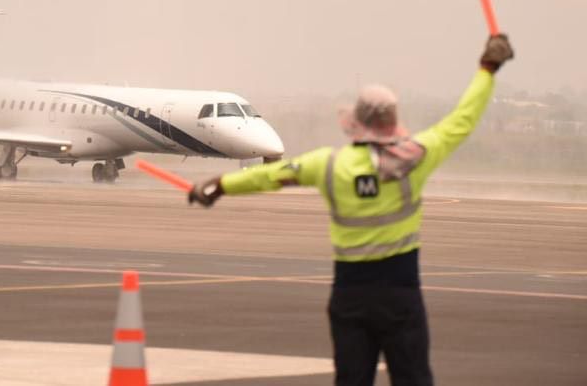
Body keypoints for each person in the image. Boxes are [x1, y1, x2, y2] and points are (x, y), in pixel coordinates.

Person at [188, 34, 515, 386]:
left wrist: (220, 185)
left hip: (350, 296)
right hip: (400, 294)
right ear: (393, 122)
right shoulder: (415, 158)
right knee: (414, 378)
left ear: (356, 123)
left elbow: (272, 176)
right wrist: (487, 69)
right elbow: (461, 121)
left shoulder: (329, 165)